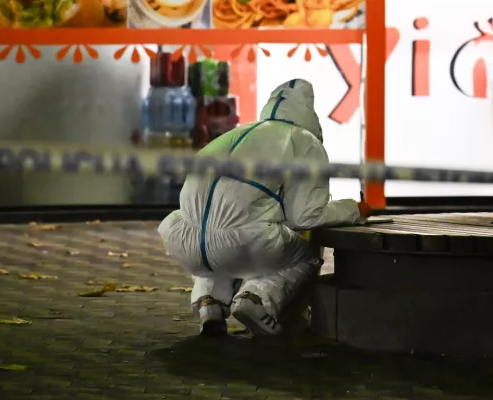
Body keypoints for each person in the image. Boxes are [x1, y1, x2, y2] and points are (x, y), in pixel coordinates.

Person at [158, 78, 372, 337]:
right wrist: (355, 210)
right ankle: (256, 300)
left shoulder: (233, 135)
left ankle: (210, 304)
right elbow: (306, 216)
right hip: (242, 243)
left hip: (185, 242)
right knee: (307, 252)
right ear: (309, 113)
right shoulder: (304, 142)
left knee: (215, 233)